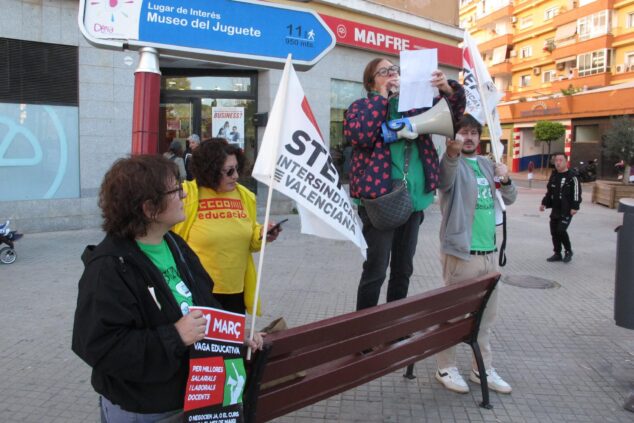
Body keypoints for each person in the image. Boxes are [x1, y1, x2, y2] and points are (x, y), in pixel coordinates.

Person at [71, 155, 263, 422]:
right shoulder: (109, 268)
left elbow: (203, 304)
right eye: (175, 189)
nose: (184, 194)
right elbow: (99, 347)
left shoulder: (174, 244)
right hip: (146, 408)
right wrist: (175, 336)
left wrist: (229, 335)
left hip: (194, 397)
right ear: (149, 208)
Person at [343, 57, 465, 311]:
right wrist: (382, 98)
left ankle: (392, 329)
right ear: (371, 82)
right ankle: (363, 333)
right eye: (383, 72)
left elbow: (453, 116)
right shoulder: (361, 107)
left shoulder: (416, 105)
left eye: (395, 70)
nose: (392, 74)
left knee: (403, 269)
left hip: (414, 201)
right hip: (380, 202)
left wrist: (446, 89)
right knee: (375, 271)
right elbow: (361, 134)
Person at [435, 114, 516, 395]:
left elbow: (509, 198)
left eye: (473, 132)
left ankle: (481, 368)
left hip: (490, 253)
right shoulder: (452, 163)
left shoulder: (486, 164)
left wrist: (505, 178)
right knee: (454, 316)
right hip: (461, 253)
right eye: (463, 132)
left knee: (486, 318)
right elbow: (444, 181)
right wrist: (450, 153)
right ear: (454, 136)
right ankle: (446, 367)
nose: (468, 137)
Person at [173, 138, 281, 315]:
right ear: (211, 171)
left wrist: (262, 234)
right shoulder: (187, 195)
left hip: (236, 291)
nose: (236, 176)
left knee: (234, 342)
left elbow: (250, 239)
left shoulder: (245, 196)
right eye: (229, 171)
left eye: (237, 169)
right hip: (198, 291)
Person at [540, 152, 582, 263]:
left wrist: (575, 207)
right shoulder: (554, 175)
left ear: (566, 162)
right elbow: (549, 191)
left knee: (561, 230)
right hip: (556, 208)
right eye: (556, 160)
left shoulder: (573, 176)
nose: (558, 163)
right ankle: (557, 253)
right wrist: (544, 203)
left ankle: (568, 251)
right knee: (554, 231)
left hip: (567, 209)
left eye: (560, 160)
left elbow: (577, 193)